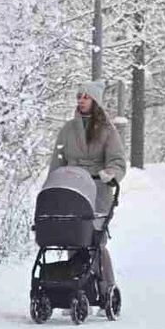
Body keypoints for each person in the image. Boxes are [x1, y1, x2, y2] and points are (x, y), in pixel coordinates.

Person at [47, 80, 126, 296]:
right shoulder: (67, 130)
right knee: (73, 238)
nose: (81, 101)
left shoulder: (108, 131)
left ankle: (106, 287)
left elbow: (118, 161)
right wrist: (51, 187)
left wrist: (110, 174)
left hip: (98, 190)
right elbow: (57, 161)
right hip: (72, 190)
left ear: (95, 102)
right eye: (79, 97)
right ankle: (72, 286)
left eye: (86, 97)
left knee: (95, 241)